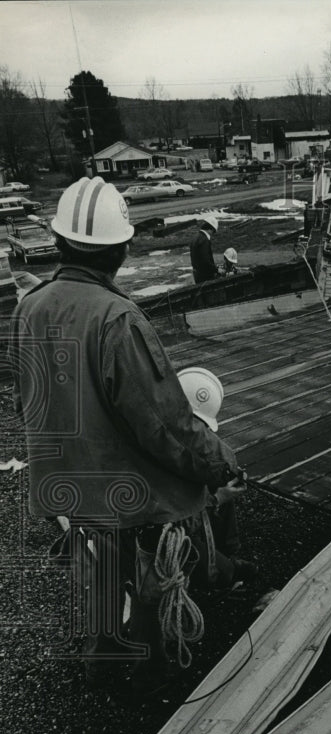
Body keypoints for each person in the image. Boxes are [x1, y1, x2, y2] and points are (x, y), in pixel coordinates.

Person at [9, 176, 242, 692]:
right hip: (121, 491)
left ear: (61, 241)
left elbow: (26, 399)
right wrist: (220, 463)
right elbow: (165, 425)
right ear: (120, 249)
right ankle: (153, 673)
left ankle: (104, 660)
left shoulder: (29, 307)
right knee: (150, 572)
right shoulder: (118, 318)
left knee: (98, 573)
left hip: (64, 483)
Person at [176, 366, 257, 591]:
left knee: (223, 480)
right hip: (155, 537)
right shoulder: (157, 452)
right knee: (221, 575)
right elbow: (172, 521)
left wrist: (228, 474)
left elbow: (221, 457)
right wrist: (216, 499)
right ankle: (227, 567)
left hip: (176, 521)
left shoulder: (169, 436)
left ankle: (229, 553)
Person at [189, 214, 220, 283]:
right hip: (205, 276)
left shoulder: (196, 237)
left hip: (197, 275)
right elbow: (206, 261)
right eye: (213, 232)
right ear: (210, 229)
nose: (212, 234)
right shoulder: (204, 240)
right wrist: (216, 269)